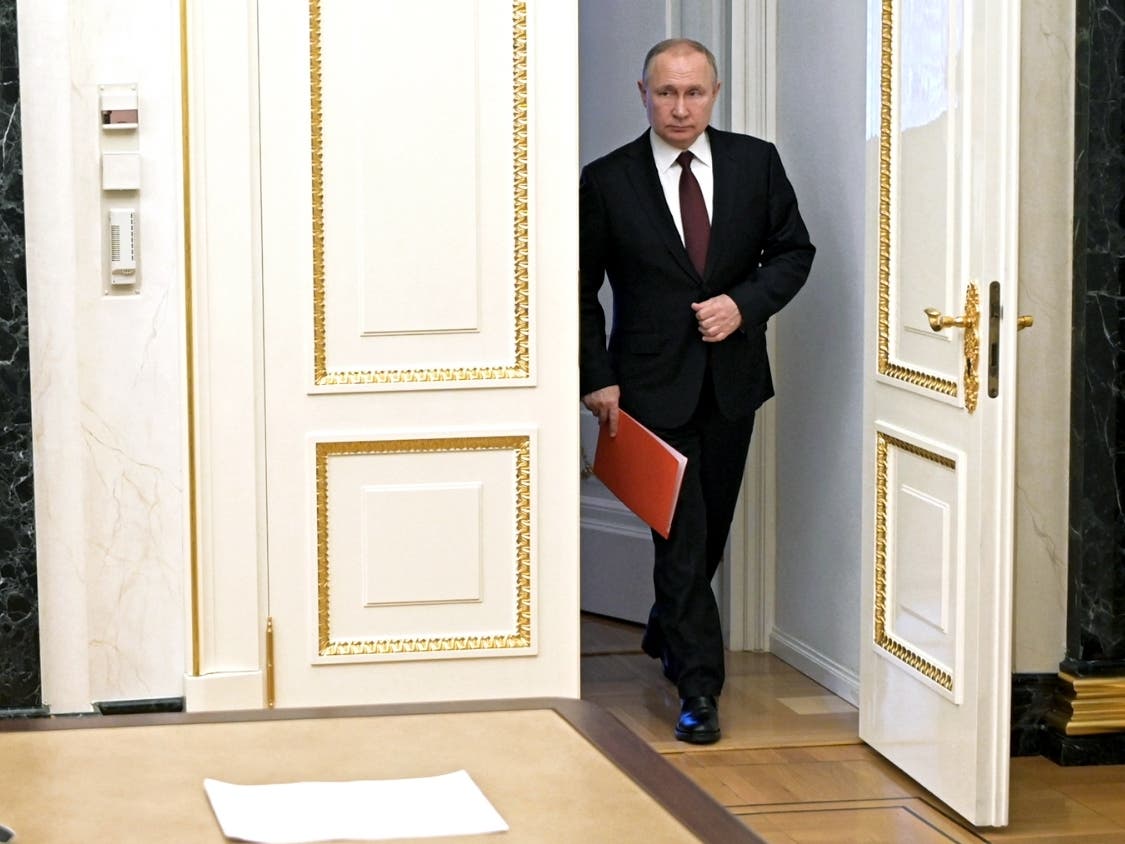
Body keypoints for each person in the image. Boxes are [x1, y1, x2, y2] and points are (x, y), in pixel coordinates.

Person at [580, 39, 815, 744]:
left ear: (714, 92)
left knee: (707, 531)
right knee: (677, 540)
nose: (679, 108)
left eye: (693, 93)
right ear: (642, 93)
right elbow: (577, 289)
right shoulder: (607, 179)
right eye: (665, 93)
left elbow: (793, 252)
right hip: (648, 389)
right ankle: (699, 689)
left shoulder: (755, 163)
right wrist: (595, 376)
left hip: (732, 383)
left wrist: (744, 304)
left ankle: (665, 625)